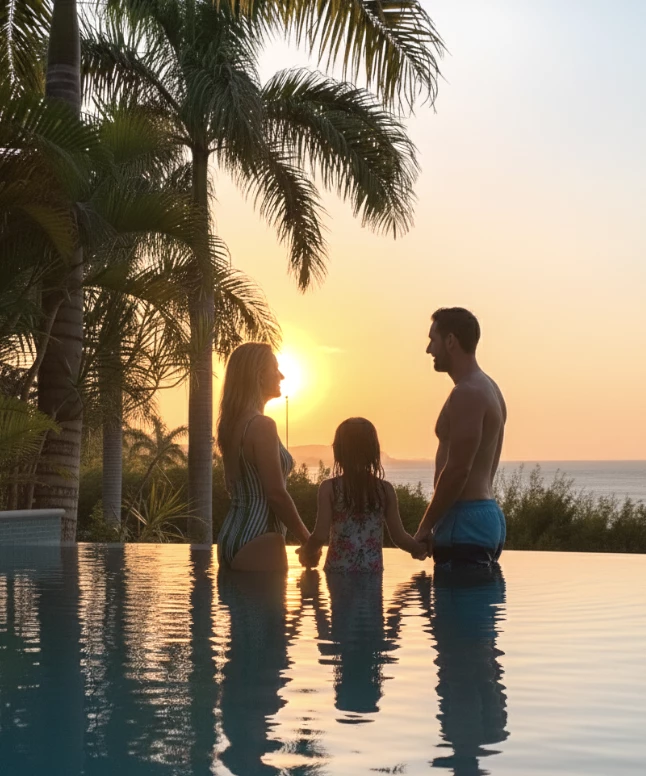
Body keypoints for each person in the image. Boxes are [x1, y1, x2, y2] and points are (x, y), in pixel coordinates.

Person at [414, 308, 507, 568]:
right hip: (483, 515)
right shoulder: (490, 388)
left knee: (456, 608)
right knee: (476, 608)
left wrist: (425, 527)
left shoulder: (467, 393)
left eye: (433, 340)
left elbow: (457, 470)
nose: (428, 349)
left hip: (465, 522)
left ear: (451, 341)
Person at [216, 342, 313, 571]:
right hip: (261, 537)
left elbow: (232, 485)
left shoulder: (230, 426)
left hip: (230, 537)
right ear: (259, 376)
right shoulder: (262, 426)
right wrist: (308, 539)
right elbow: (276, 495)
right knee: (269, 608)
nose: (281, 375)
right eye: (275, 368)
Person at [298, 417, 427, 572]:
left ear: (338, 452)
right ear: (373, 452)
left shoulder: (329, 488)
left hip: (338, 571)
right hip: (371, 571)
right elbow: (399, 537)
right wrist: (418, 549)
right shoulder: (385, 490)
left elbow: (320, 535)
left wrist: (307, 552)